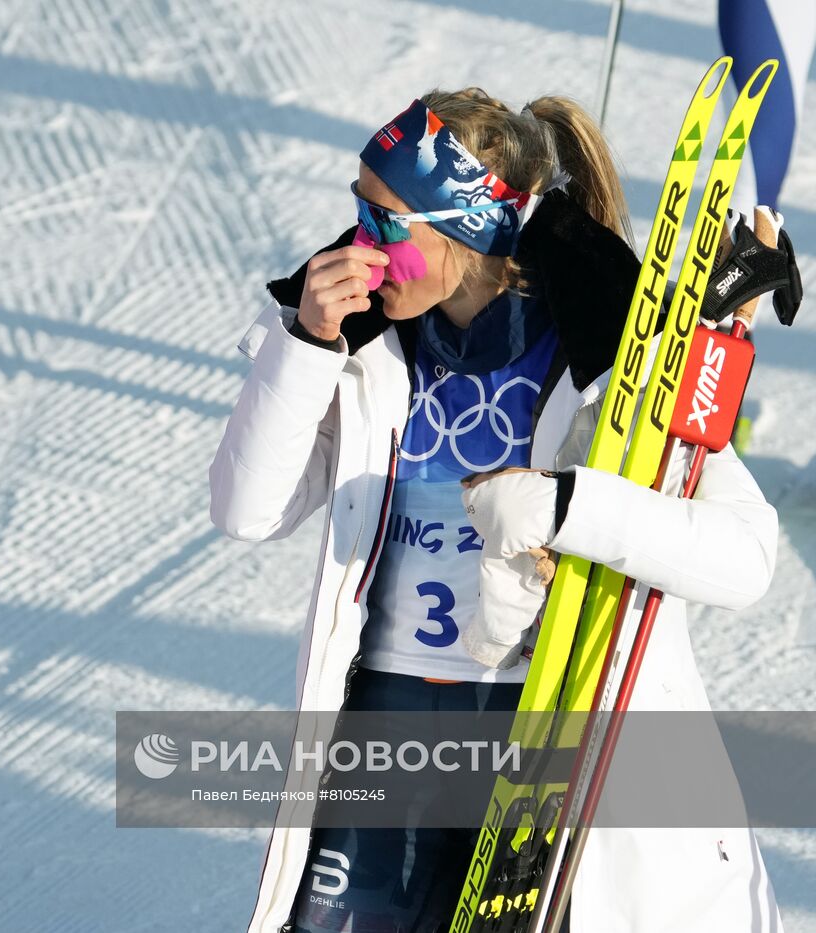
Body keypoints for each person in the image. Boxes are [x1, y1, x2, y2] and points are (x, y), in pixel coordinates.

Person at [209, 89, 786, 932]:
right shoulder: (369, 346)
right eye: (356, 213)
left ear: (466, 225)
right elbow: (246, 510)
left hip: (539, 721)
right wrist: (306, 343)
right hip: (389, 721)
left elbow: (745, 556)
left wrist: (564, 506)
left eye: (385, 223)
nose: (357, 246)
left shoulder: (604, 352)